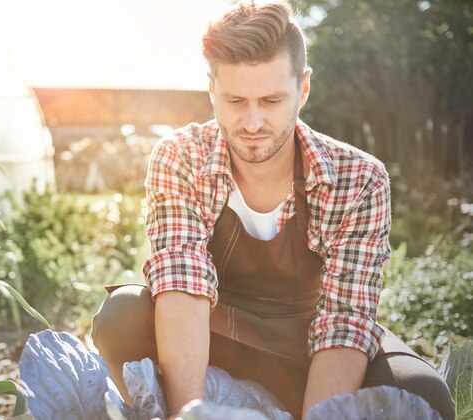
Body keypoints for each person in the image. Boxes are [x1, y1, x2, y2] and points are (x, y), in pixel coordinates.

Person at [92, 1, 455, 418]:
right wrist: (188, 413)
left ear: (303, 89)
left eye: (271, 100)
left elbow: (344, 322)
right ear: (211, 88)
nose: (251, 122)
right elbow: (181, 282)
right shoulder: (180, 157)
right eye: (235, 100)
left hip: (309, 349)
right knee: (120, 316)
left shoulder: (358, 178)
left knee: (421, 393)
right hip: (211, 336)